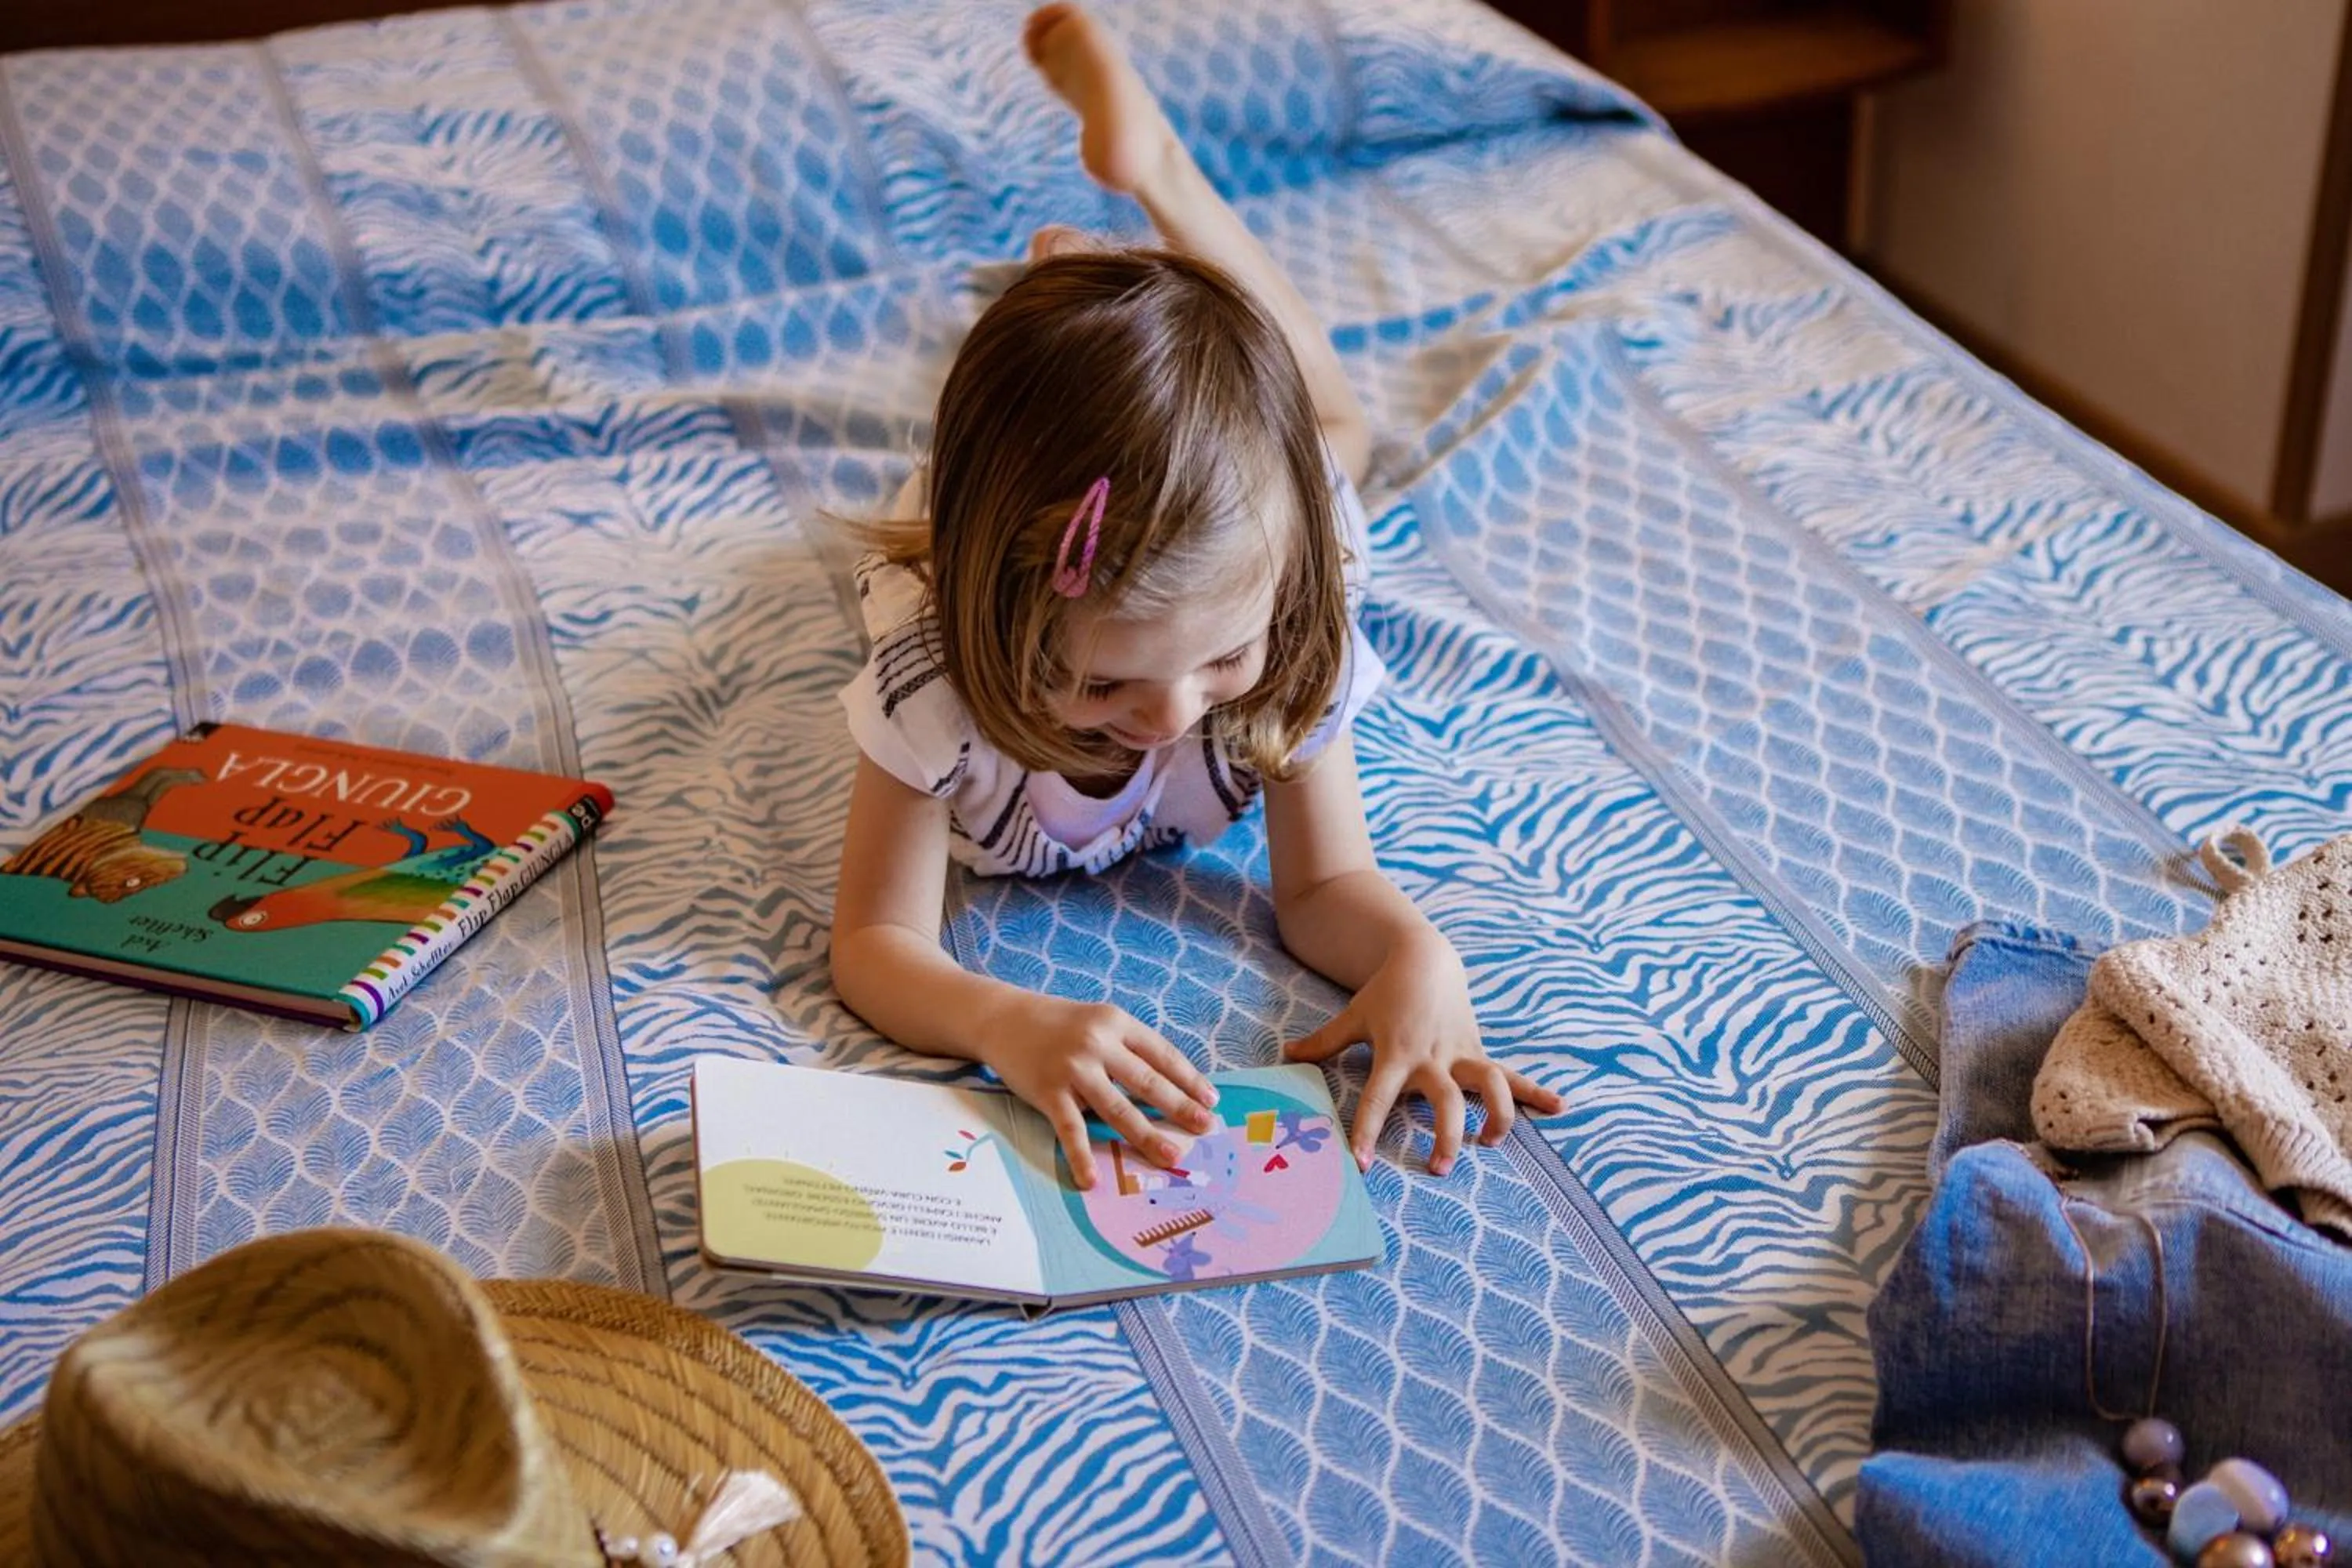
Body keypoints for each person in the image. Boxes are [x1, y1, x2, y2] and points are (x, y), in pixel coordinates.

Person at [830, 2, 1561, 1189]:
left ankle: (1156, 182)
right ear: (1004, 628)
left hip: (1245, 536)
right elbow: (873, 944)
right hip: (1002, 516)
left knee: (1334, 433)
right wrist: (1004, 1019)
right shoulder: (940, 685)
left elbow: (1325, 890)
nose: (1175, 716)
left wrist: (1417, 955)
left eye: (1214, 664)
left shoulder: (1281, 641)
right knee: (1032, 464)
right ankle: (1094, 290)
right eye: (1103, 681)